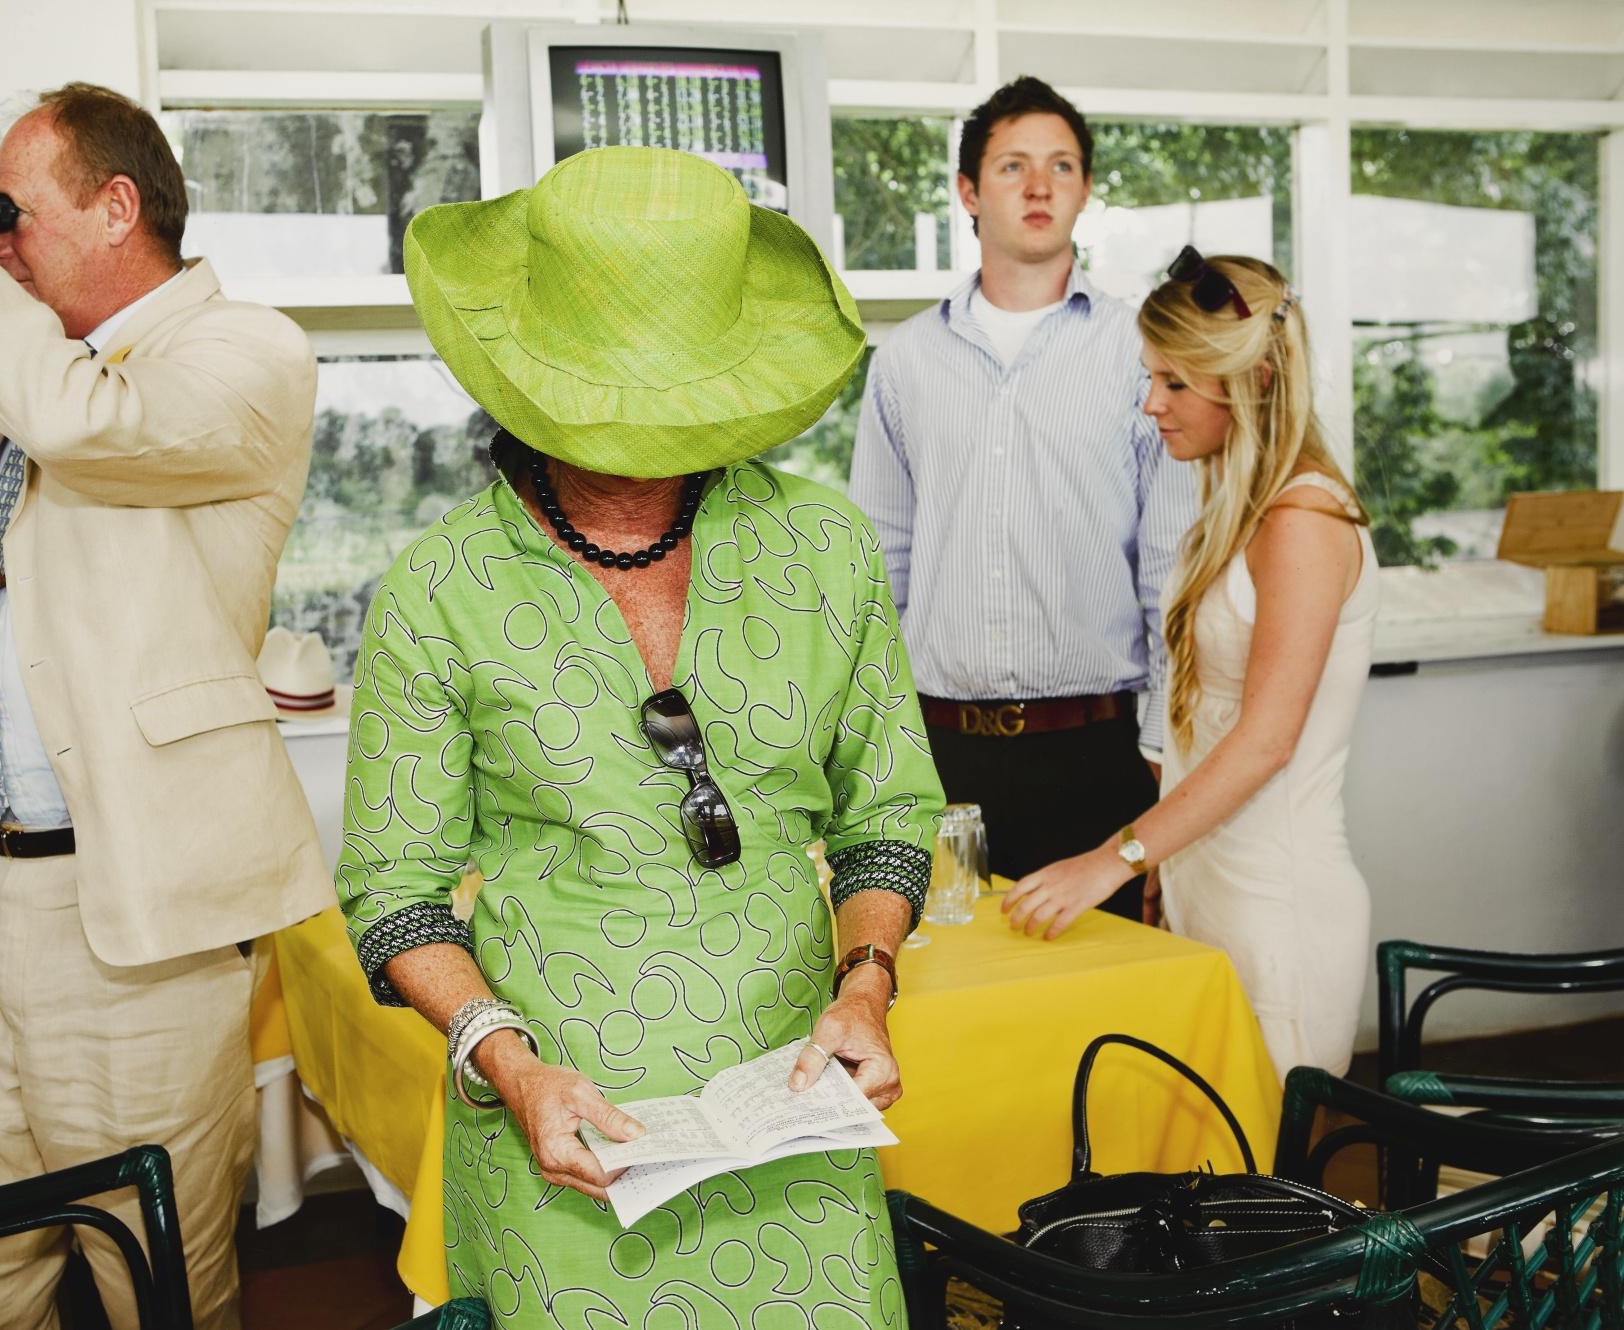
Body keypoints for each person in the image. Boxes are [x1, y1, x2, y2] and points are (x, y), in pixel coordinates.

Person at [335, 146, 944, 1329]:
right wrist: (504, 1061)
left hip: (794, 1106)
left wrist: (865, 980)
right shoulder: (439, 587)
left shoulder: (823, 547)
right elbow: (393, 893)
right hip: (562, 1127)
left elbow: (886, 813)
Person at [0, 82, 334, 1328]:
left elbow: (83, 425)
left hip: (133, 917)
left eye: (9, 213)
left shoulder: (243, 354)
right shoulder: (10, 363)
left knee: (154, 1287)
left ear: (115, 206)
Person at [1002, 250, 1377, 1079]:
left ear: (1251, 380)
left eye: (1174, 382)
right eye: (1151, 378)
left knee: (1272, 1191)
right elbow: (1198, 716)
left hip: (1277, 906)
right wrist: (1166, 860)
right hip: (1207, 880)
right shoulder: (1231, 513)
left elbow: (1265, 739)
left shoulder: (1304, 523)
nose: (1151, 405)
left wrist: (1113, 856)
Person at [847, 76, 1195, 921]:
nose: (1039, 186)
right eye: (1012, 166)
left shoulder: (1141, 350)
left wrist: (1157, 754)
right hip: (939, 762)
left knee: (1104, 1018)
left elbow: (1172, 567)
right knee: (950, 1008)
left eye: (1062, 165)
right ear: (969, 191)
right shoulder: (906, 361)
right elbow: (878, 567)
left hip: (1103, 755)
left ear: (1082, 190)